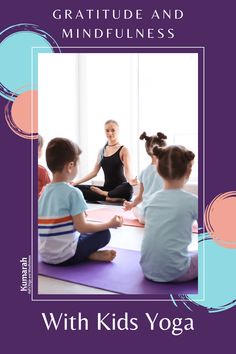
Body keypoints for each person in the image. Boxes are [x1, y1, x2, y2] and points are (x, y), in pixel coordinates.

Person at [38, 137, 123, 266]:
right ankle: (89, 255)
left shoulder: (43, 191)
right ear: (70, 166)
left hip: (44, 255)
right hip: (66, 256)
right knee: (104, 234)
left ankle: (87, 254)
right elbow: (82, 227)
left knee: (81, 233)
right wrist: (109, 224)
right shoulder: (73, 192)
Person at [140, 145, 198, 282]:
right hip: (176, 273)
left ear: (159, 171)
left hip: (147, 269)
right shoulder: (193, 201)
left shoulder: (150, 200)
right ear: (188, 172)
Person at [74, 120, 137, 202]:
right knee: (77, 189)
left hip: (120, 189)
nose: (110, 133)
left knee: (128, 187)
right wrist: (75, 182)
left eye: (113, 130)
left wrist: (132, 180)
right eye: (107, 130)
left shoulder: (124, 150)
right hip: (107, 188)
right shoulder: (101, 151)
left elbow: (128, 172)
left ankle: (105, 194)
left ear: (118, 131)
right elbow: (94, 172)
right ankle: (108, 197)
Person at [123, 131, 167, 223]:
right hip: (164, 216)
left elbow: (140, 197)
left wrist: (131, 205)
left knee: (136, 208)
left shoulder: (143, 172)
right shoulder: (169, 170)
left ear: (147, 151)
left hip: (146, 217)